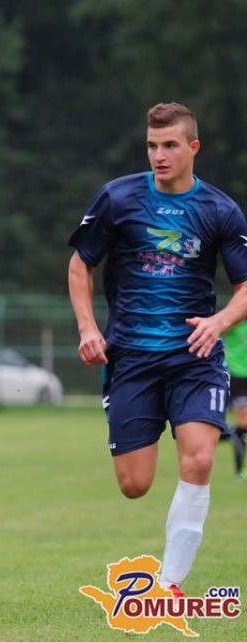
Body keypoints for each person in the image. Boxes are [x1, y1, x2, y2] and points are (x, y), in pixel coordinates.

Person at [68, 102, 247, 599]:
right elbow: (80, 265)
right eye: (152, 146)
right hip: (131, 357)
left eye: (170, 145)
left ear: (193, 147)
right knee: (134, 484)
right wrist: (87, 328)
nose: (159, 155)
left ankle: (169, 585)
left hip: (194, 356)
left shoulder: (220, 210)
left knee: (200, 460)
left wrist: (218, 321)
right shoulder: (117, 198)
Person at [220, 320, 247, 480]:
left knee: (242, 429)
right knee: (244, 425)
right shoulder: (234, 321)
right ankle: (239, 471)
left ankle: (221, 433)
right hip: (238, 377)